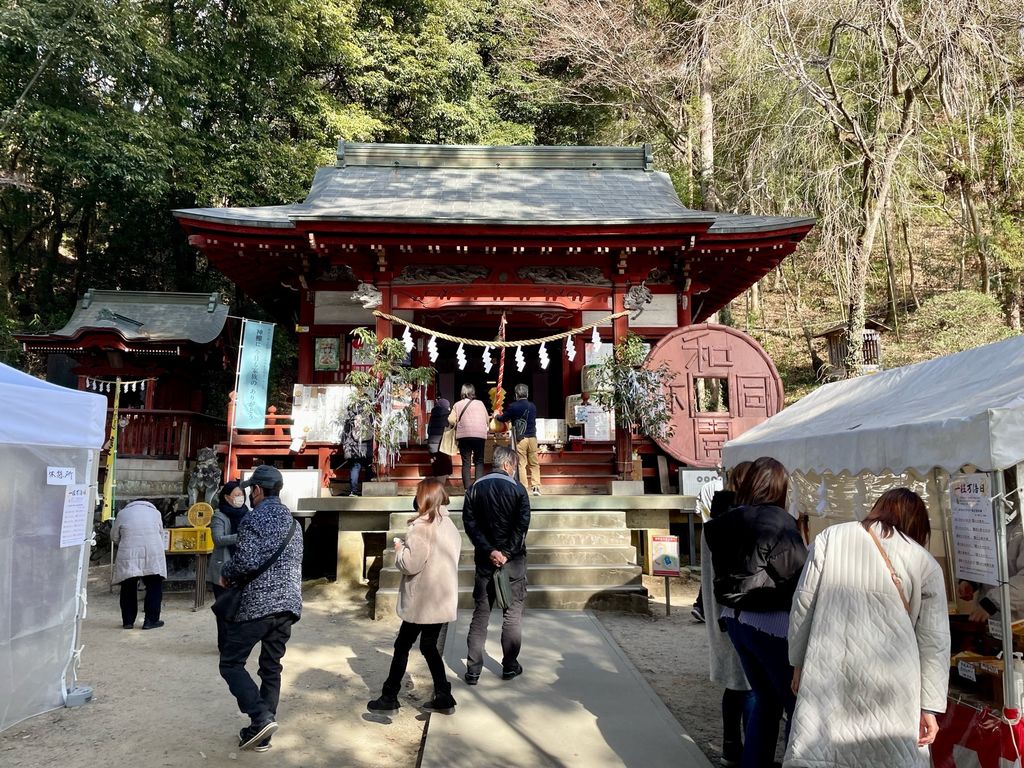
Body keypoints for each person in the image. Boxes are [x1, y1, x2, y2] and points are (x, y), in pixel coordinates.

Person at [784, 488, 950, 767]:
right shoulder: (925, 562)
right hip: (895, 681)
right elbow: (934, 641)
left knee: (824, 754)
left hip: (829, 667)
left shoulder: (830, 538)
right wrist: (929, 707)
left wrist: (798, 662)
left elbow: (803, 604)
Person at [703, 456, 807, 768]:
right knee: (795, 705)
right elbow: (797, 577)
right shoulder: (778, 521)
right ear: (779, 487)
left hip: (737, 619)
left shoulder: (726, 519)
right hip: (771, 623)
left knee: (765, 700)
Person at [218, 465, 303, 752]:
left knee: (230, 662)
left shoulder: (255, 520)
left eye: (250, 490)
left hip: (259, 604)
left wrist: (226, 570)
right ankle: (262, 732)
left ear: (257, 490)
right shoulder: (294, 523)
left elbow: (246, 562)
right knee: (271, 668)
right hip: (288, 606)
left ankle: (259, 715)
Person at [367, 479, 462, 714]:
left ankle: (389, 696)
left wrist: (399, 550)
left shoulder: (422, 527)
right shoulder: (449, 525)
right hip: (441, 597)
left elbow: (411, 564)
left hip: (422, 599)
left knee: (402, 644)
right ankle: (443, 695)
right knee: (428, 646)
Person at [462, 445, 531, 684]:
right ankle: (510, 665)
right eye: (514, 467)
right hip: (513, 562)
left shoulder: (474, 489)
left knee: (481, 615)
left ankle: (473, 670)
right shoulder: (518, 489)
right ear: (508, 465)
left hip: (484, 559)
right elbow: (521, 527)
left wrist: (489, 550)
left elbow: (470, 524)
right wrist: (507, 553)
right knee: (512, 615)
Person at [700, 463, 754, 767]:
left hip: (720, 610)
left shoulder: (716, 520)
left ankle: (732, 747)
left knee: (736, 685)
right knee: (747, 686)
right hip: (737, 611)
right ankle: (748, 751)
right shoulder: (738, 523)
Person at [111, 500, 167, 630]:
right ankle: (150, 621)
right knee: (154, 586)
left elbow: (114, 537)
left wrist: (125, 543)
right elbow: (160, 532)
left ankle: (128, 621)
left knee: (128, 586)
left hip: (129, 554)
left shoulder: (122, 514)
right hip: (152, 553)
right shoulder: (155, 513)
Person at [208, 481, 249, 651]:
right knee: (225, 607)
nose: (240, 498)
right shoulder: (219, 516)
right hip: (223, 567)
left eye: (242, 495)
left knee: (241, 608)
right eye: (236, 495)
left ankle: (237, 642)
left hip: (241, 567)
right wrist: (240, 537)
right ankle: (224, 644)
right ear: (226, 497)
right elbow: (218, 539)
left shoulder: (248, 514)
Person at [495, 383, 541, 495]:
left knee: (522, 464)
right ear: (527, 393)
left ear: (516, 394)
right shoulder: (533, 406)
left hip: (521, 439)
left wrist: (496, 415)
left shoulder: (513, 406)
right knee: (534, 463)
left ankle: (524, 487)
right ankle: (536, 487)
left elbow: (503, 418)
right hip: (533, 438)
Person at [691, 473, 725, 623]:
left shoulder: (706, 486)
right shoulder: (725, 488)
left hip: (707, 530)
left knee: (708, 571)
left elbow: (697, 510)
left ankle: (700, 607)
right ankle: (703, 608)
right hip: (724, 532)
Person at [450, 383, 489, 491]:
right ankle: (478, 486)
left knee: (466, 462)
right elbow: (487, 419)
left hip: (464, 436)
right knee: (479, 461)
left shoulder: (457, 405)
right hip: (479, 435)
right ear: (473, 392)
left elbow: (451, 420)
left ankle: (467, 488)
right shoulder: (480, 403)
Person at [342, 400, 372, 496]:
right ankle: (367, 490)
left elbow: (346, 434)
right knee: (369, 468)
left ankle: (353, 490)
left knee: (355, 467)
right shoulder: (370, 415)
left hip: (354, 447)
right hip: (367, 447)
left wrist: (346, 448)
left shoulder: (350, 417)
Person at [426, 396, 453, 485]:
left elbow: (428, 431)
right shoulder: (449, 415)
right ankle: (441, 485)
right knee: (444, 464)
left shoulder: (433, 415)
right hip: (443, 443)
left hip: (432, 442)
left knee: (436, 463)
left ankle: (436, 483)